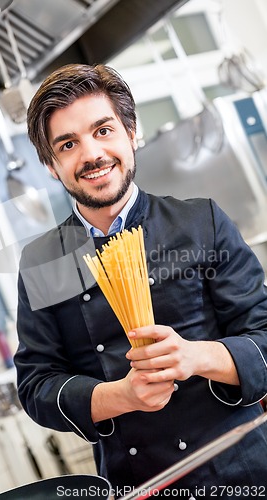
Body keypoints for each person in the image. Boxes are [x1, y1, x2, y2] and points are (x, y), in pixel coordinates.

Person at [14, 63, 267, 498]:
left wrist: (195, 357)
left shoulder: (200, 221)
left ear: (132, 134)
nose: (91, 154)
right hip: (140, 485)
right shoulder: (44, 261)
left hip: (240, 472)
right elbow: (37, 384)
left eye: (104, 130)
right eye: (68, 144)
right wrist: (122, 396)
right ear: (52, 166)